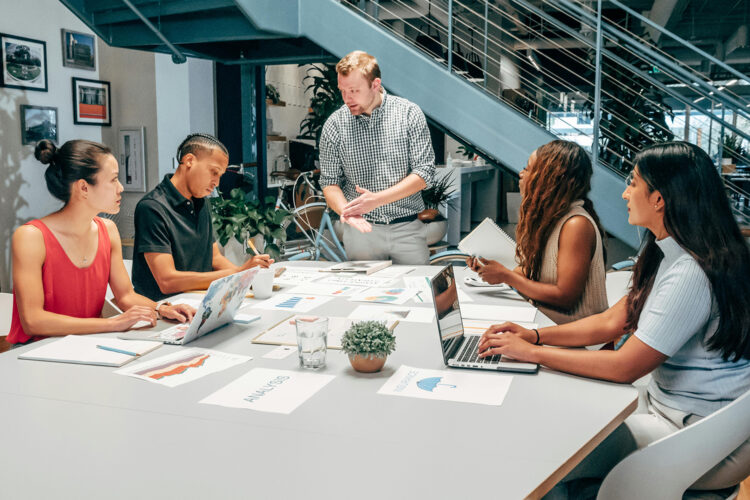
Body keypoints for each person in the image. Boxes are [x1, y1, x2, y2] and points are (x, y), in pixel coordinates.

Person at [478, 142, 750, 495]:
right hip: (676, 411)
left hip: (699, 434)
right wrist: (535, 336)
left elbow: (624, 367)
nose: (624, 193)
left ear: (659, 198)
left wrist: (532, 353)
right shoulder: (667, 253)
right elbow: (611, 321)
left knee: (545, 456)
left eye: (633, 183)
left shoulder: (690, 273)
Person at [8, 139, 195, 345]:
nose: (121, 188)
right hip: (35, 353)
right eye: (113, 180)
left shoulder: (108, 229)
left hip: (89, 345)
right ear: (84, 188)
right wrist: (113, 324)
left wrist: (162, 309)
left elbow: (125, 296)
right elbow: (33, 321)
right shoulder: (30, 237)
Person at [468, 140, 608, 324]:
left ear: (549, 178)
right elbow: (532, 271)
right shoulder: (553, 218)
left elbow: (565, 297)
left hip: (580, 341)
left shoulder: (576, 225)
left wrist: (506, 276)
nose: (521, 174)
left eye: (528, 169)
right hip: (550, 325)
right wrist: (491, 270)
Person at [319, 50, 435, 265]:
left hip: (407, 229)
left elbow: (424, 173)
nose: (347, 99)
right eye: (343, 91)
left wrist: (377, 200)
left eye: (354, 90)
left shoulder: (409, 113)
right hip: (361, 232)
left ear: (375, 84)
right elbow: (329, 182)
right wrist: (347, 211)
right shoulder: (335, 124)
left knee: (418, 294)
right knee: (364, 297)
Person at [132, 133, 273, 301]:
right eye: (214, 172)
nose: (217, 183)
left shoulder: (201, 203)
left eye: (220, 175)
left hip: (198, 302)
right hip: (163, 310)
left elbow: (214, 257)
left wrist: (246, 277)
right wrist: (237, 272)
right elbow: (167, 280)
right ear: (189, 160)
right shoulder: (152, 208)